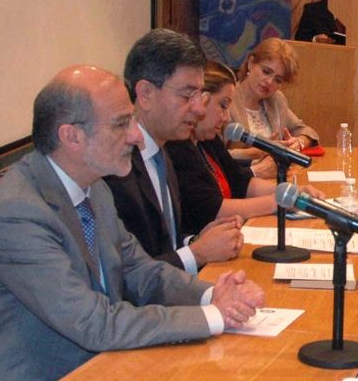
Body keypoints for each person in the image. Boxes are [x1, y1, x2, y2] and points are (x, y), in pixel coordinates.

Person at [0, 66, 265, 381]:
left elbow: (139, 270)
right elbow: (93, 323)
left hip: (99, 379)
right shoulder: (17, 212)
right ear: (71, 137)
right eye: (122, 123)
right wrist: (212, 317)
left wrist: (212, 296)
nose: (136, 135)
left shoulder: (95, 189)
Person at [106, 29, 243, 272]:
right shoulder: (115, 169)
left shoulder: (164, 150)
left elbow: (165, 244)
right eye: (187, 95)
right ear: (146, 94)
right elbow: (125, 275)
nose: (199, 109)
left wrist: (196, 241)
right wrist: (196, 254)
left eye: (200, 95)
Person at [169, 61, 288, 232]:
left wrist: (292, 191)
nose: (226, 118)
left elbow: (241, 182)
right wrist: (280, 201)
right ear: (200, 100)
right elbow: (214, 210)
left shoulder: (208, 140)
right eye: (223, 106)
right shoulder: (178, 148)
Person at [227, 38, 319, 173]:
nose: (269, 82)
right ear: (251, 63)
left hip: (276, 179)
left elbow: (307, 131)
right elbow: (213, 158)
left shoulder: (275, 100)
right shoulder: (227, 100)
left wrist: (298, 143)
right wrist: (255, 152)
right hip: (240, 180)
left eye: (278, 79)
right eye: (266, 71)